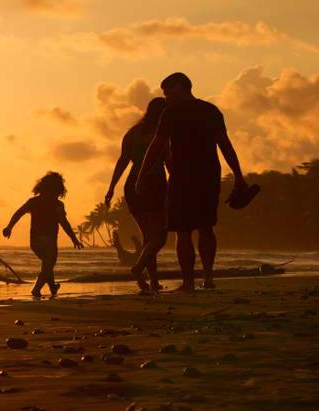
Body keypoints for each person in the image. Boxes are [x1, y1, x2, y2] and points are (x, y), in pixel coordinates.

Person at [135, 72, 248, 291]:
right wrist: (238, 176)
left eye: (168, 92)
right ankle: (207, 278)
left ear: (180, 87)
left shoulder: (171, 113)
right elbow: (225, 145)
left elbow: (157, 146)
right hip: (208, 175)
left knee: (183, 230)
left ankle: (189, 282)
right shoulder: (210, 110)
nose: (166, 97)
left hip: (183, 176)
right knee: (205, 226)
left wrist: (141, 175)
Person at [104, 98, 168, 293]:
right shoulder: (162, 133)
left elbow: (122, 162)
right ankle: (139, 268)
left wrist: (111, 188)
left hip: (132, 185)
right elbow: (169, 160)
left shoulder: (132, 133)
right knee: (160, 236)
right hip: (154, 183)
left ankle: (151, 282)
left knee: (149, 236)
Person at [2, 172, 84, 298]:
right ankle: (36, 289)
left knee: (47, 264)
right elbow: (64, 223)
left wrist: (9, 227)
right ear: (58, 189)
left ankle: (53, 287)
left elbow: (18, 213)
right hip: (49, 240)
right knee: (48, 264)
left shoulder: (33, 202)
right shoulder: (57, 204)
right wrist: (73, 238)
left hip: (34, 241)